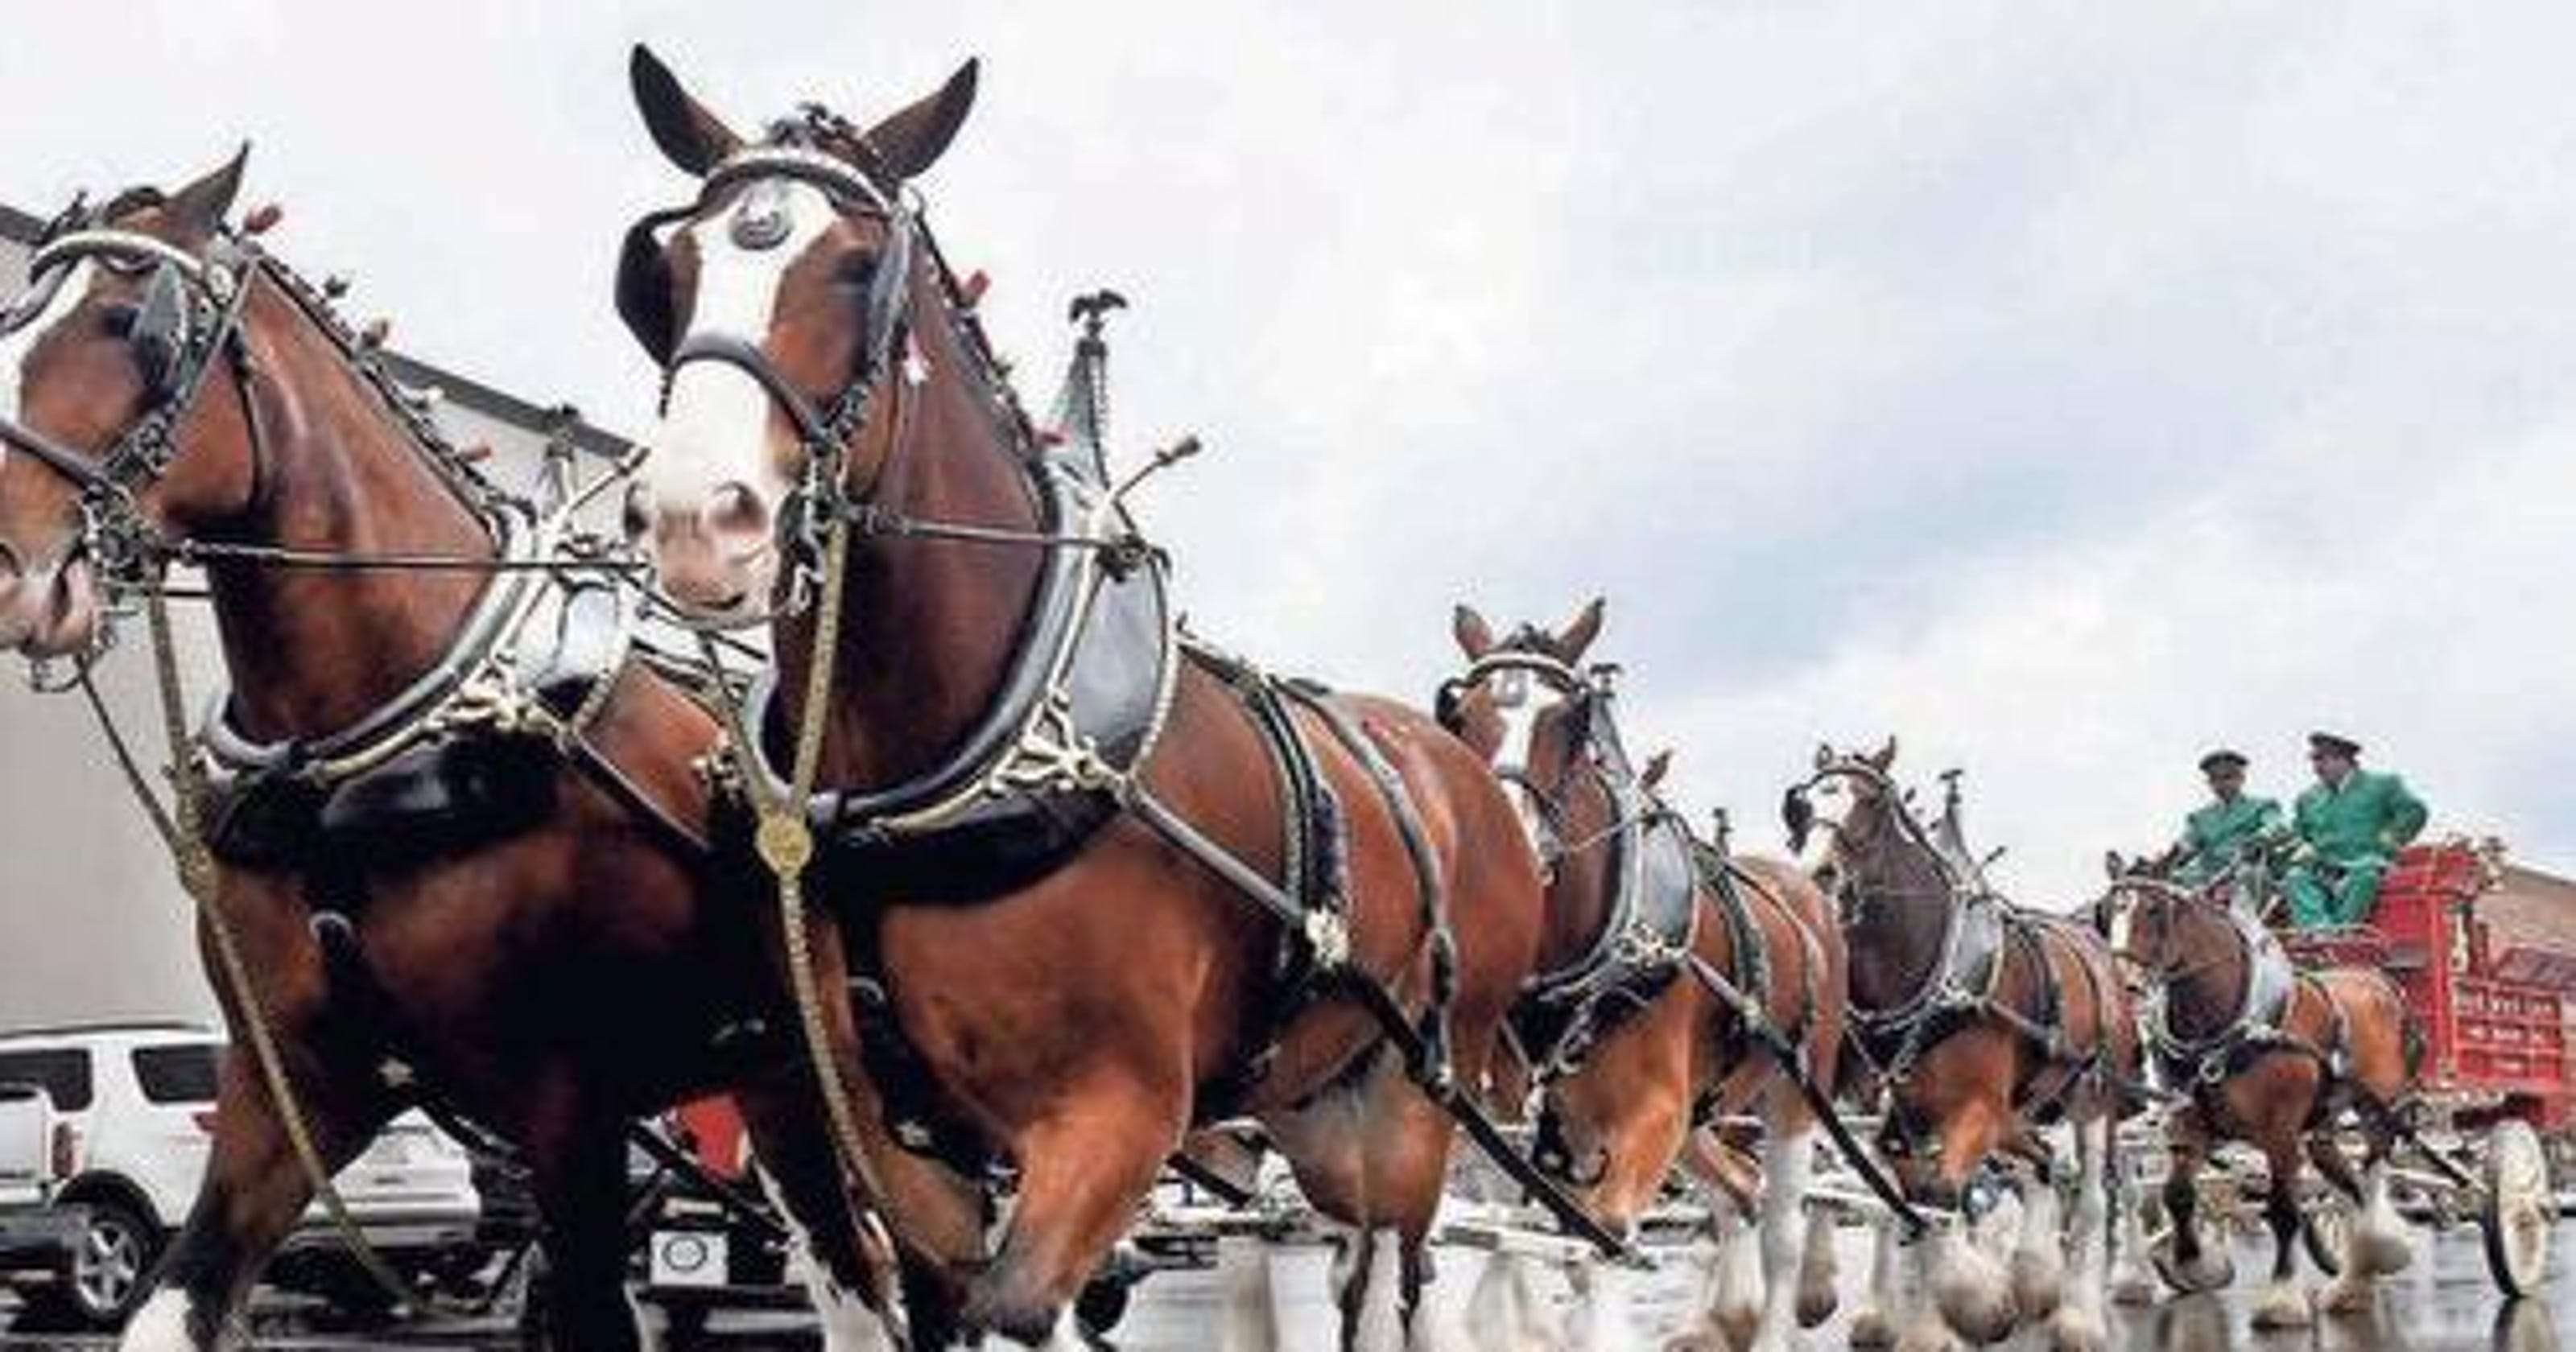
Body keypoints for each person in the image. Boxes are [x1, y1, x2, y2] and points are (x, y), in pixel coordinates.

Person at [2284, 732, 2428, 928]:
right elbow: (2299, 833)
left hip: (2368, 861)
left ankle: (2343, 933)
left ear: (2345, 760)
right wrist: (2302, 847)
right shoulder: (2308, 798)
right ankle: (2319, 932)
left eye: (2322, 760)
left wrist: (2393, 837)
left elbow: (2415, 811)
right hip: (2324, 868)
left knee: (2365, 874)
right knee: (2295, 878)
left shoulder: (2383, 784)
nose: (2316, 768)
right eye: (2314, 761)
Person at [2165, 749, 2286, 888]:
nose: (2221, 784)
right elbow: (2187, 843)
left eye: (2227, 777)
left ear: (2241, 779)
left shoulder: (2262, 806)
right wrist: (2171, 857)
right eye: (2214, 779)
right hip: (2208, 873)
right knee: (2168, 883)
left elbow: (2276, 825)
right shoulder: (2200, 817)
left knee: (2249, 876)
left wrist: (2259, 838)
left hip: (2247, 867)